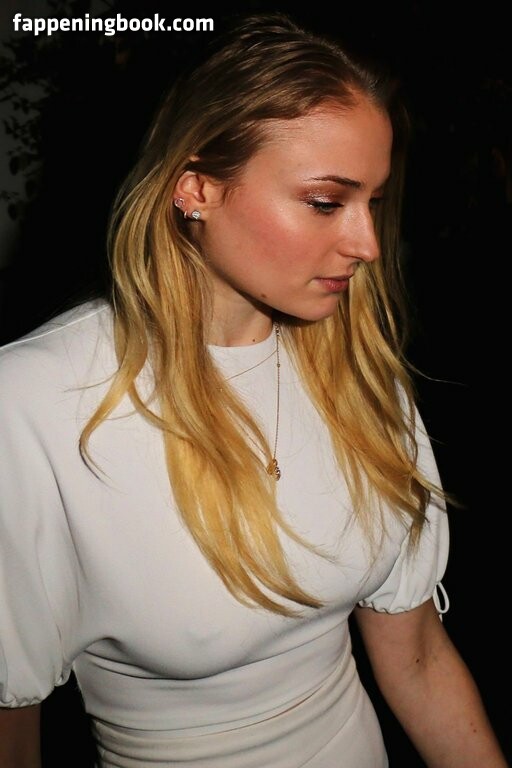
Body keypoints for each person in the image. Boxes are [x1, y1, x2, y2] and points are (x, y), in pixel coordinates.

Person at [0, 11, 508, 768]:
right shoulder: (31, 403)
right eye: (326, 202)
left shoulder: (357, 370)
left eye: (373, 202)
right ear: (197, 190)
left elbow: (419, 658)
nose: (368, 244)